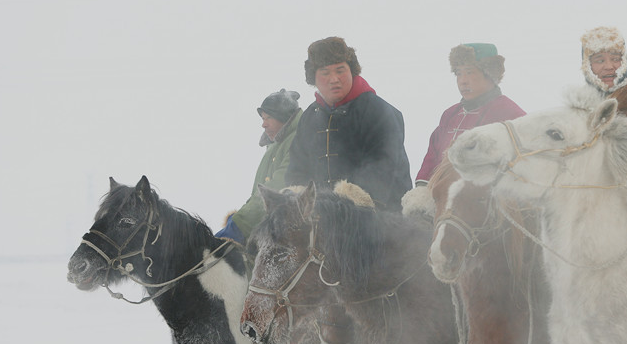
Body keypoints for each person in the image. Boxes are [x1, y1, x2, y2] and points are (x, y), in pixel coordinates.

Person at [286, 36, 412, 211]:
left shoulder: (377, 110)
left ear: (352, 71)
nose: (334, 79)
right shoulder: (309, 118)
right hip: (325, 220)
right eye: (325, 72)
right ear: (313, 78)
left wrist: (348, 205)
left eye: (340, 70)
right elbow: (297, 168)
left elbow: (383, 165)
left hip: (381, 219)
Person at [402, 43, 524, 216]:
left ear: (490, 75)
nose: (462, 80)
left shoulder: (511, 115)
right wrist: (423, 188)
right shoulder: (451, 114)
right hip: (439, 201)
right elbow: (433, 154)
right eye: (458, 73)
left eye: (469, 72)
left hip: (484, 213)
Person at [216, 88, 303, 244]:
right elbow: (258, 192)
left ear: (283, 117)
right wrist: (238, 218)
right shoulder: (274, 145)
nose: (263, 124)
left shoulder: (296, 141)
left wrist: (240, 224)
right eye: (262, 118)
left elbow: (274, 190)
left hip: (286, 235)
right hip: (266, 228)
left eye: (268, 117)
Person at [579, 26, 627, 135]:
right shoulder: (578, 107)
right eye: (600, 60)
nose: (609, 66)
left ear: (625, 62)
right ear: (587, 66)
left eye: (615, 59)